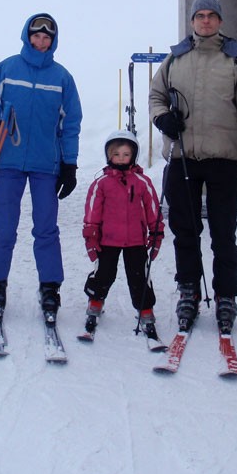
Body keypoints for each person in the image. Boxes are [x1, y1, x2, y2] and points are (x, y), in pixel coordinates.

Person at [148, 0, 237, 336]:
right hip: (182, 157)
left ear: (219, 21)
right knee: (185, 232)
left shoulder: (235, 61)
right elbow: (156, 96)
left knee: (223, 233)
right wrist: (162, 120)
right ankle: (189, 290)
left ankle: (226, 295)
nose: (205, 21)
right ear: (191, 21)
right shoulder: (175, 59)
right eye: (199, 15)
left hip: (221, 159)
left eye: (211, 15)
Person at [0, 13, 82, 324]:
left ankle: (50, 286)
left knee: (46, 228)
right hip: (8, 161)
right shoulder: (6, 70)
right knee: (4, 225)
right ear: (27, 35)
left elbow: (70, 124)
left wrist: (69, 164)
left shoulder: (62, 78)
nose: (41, 40)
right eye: (36, 35)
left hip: (45, 165)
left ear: (53, 40)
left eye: (47, 36)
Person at [81, 130, 164, 341]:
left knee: (139, 277)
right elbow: (92, 211)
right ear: (109, 155)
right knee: (104, 274)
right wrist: (91, 235)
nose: (121, 159)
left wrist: (156, 233)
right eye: (116, 154)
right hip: (107, 241)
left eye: (126, 154)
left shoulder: (142, 181)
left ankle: (145, 309)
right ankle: (96, 301)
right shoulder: (101, 183)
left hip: (135, 241)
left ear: (133, 156)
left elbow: (153, 209)